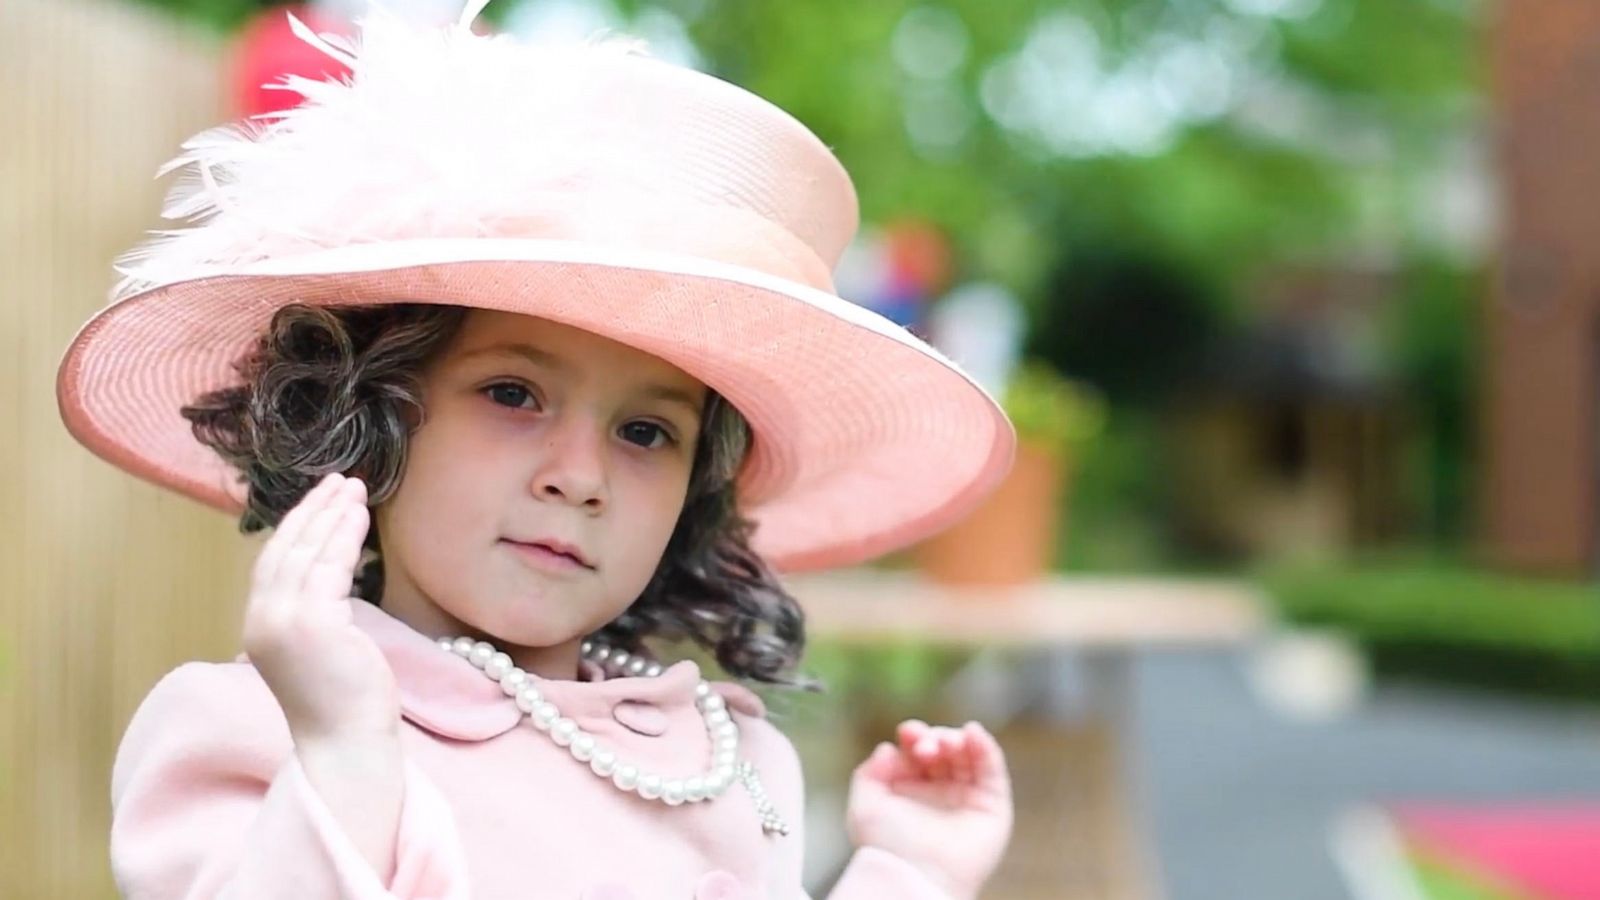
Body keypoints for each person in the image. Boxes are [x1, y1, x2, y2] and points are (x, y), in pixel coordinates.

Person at [57, 2, 1018, 897]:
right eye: (512, 393)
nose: (580, 475)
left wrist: (906, 870)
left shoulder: (727, 756)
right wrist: (345, 751)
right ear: (373, 414)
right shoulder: (250, 727)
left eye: (647, 432)